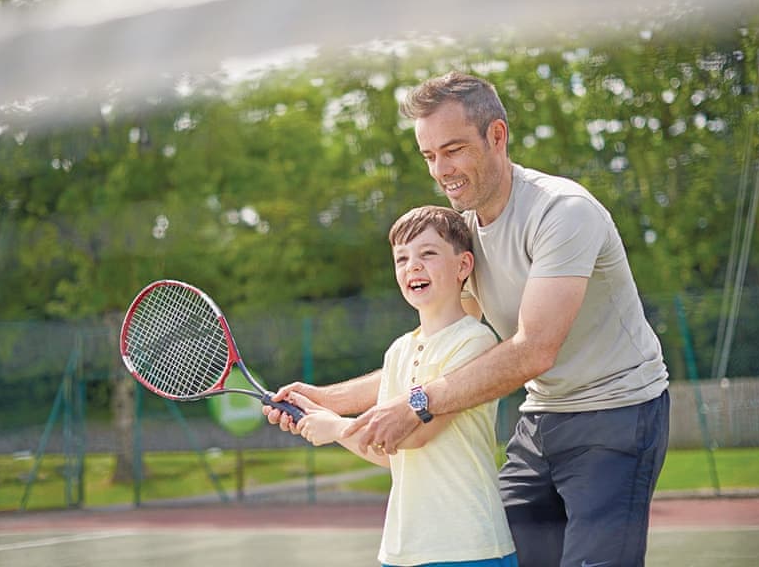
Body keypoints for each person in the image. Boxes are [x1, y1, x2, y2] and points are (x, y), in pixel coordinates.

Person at [265, 71, 670, 567]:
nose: (441, 171)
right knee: (499, 549)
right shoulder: (468, 236)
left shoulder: (563, 213)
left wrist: (416, 404)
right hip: (543, 417)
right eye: (430, 156)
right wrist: (326, 397)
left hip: (618, 414)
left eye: (453, 149)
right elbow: (448, 355)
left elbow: (532, 349)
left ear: (496, 136)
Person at [289, 205, 516, 567]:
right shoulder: (398, 351)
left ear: (463, 266)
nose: (412, 266)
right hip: (401, 550)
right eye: (402, 258)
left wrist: (333, 427)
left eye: (428, 253)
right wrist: (318, 412)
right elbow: (386, 451)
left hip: (469, 547)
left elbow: (414, 436)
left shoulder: (475, 343)